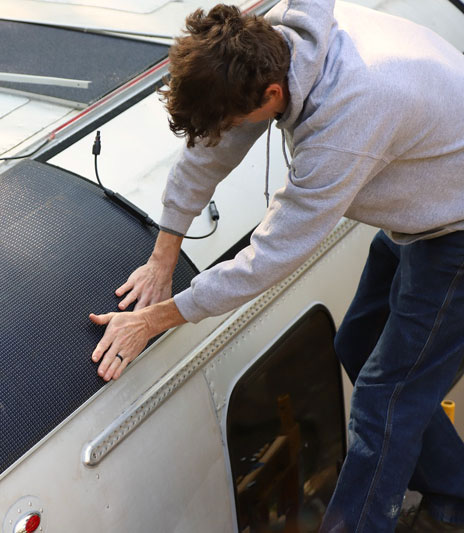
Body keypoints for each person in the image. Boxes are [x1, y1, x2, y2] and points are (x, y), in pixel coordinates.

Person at [87, 1, 464, 531]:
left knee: (387, 400)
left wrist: (152, 320)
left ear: (271, 98)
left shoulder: (348, 117)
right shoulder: (270, 48)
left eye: (239, 120)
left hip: (454, 234)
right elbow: (211, 147)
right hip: (428, 199)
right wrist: (162, 256)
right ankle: (456, 488)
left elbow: (269, 258)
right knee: (355, 342)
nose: (233, 129)